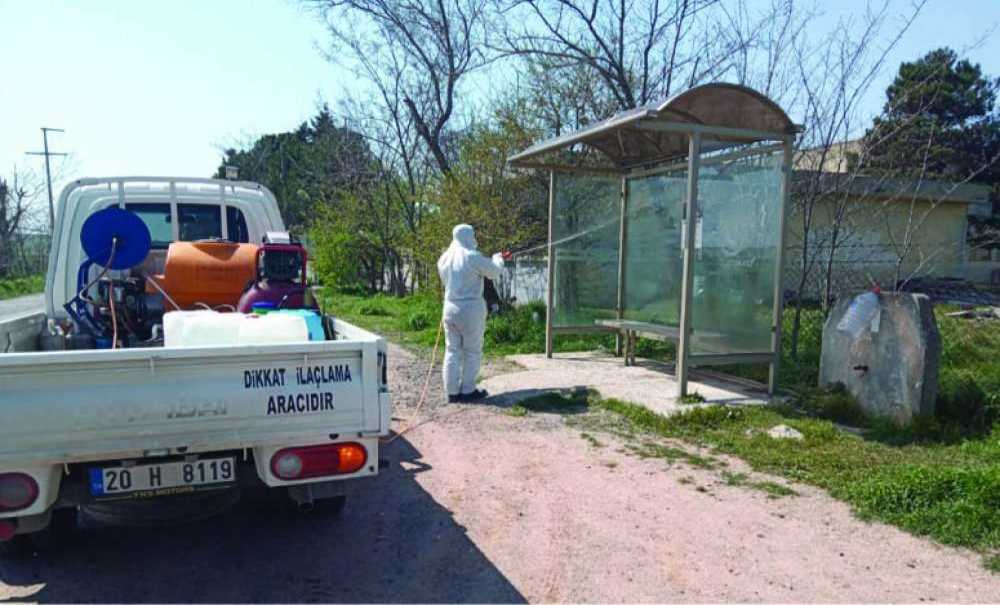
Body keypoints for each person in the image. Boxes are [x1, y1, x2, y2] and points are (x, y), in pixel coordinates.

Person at [437, 224, 510, 402]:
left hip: (449, 308)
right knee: (472, 351)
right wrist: (498, 258)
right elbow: (494, 272)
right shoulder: (472, 256)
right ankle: (468, 390)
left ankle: (452, 392)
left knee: (452, 351)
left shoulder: (444, 258)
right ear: (468, 236)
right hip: (470, 310)